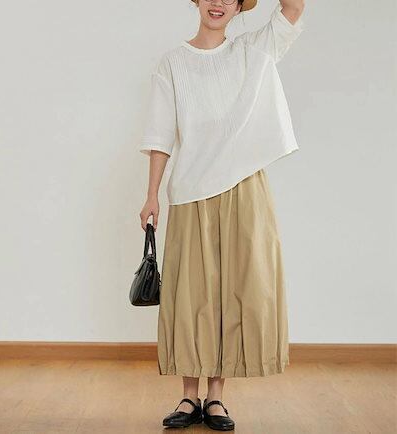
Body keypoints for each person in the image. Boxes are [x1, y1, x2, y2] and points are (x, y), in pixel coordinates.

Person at [138, 0, 305, 430]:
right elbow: (160, 134)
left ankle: (216, 397)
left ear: (238, 6)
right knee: (191, 295)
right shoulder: (172, 63)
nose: (218, 3)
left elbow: (294, 7)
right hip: (190, 191)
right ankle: (188, 396)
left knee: (235, 289)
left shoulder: (254, 50)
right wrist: (151, 194)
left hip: (244, 188)